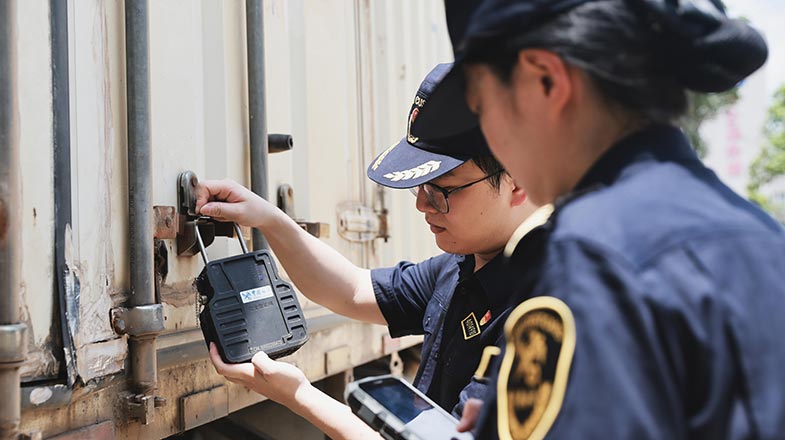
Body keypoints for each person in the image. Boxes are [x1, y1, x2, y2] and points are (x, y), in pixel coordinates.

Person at [410, 0, 785, 438]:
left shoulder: (592, 255)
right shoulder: (761, 238)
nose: (489, 138)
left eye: (481, 107)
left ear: (545, 81)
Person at [198, 64, 537, 438]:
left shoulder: (541, 309)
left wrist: (298, 395)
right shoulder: (465, 266)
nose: (422, 204)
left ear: (516, 179)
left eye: (441, 189)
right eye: (419, 186)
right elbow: (353, 290)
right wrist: (270, 220)